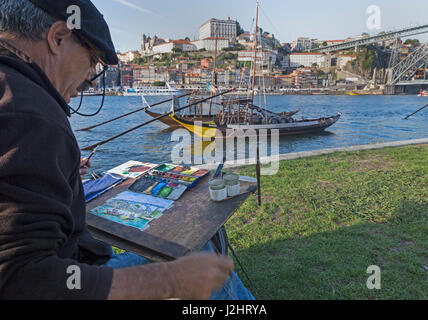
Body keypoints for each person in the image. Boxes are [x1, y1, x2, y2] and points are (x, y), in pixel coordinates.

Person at [0, 0, 254, 300]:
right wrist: (168, 279)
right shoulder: (31, 115)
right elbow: (21, 280)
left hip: (76, 260)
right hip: (76, 271)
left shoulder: (16, 98)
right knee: (199, 251)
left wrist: (63, 175)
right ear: (58, 38)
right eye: (93, 59)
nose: (88, 78)